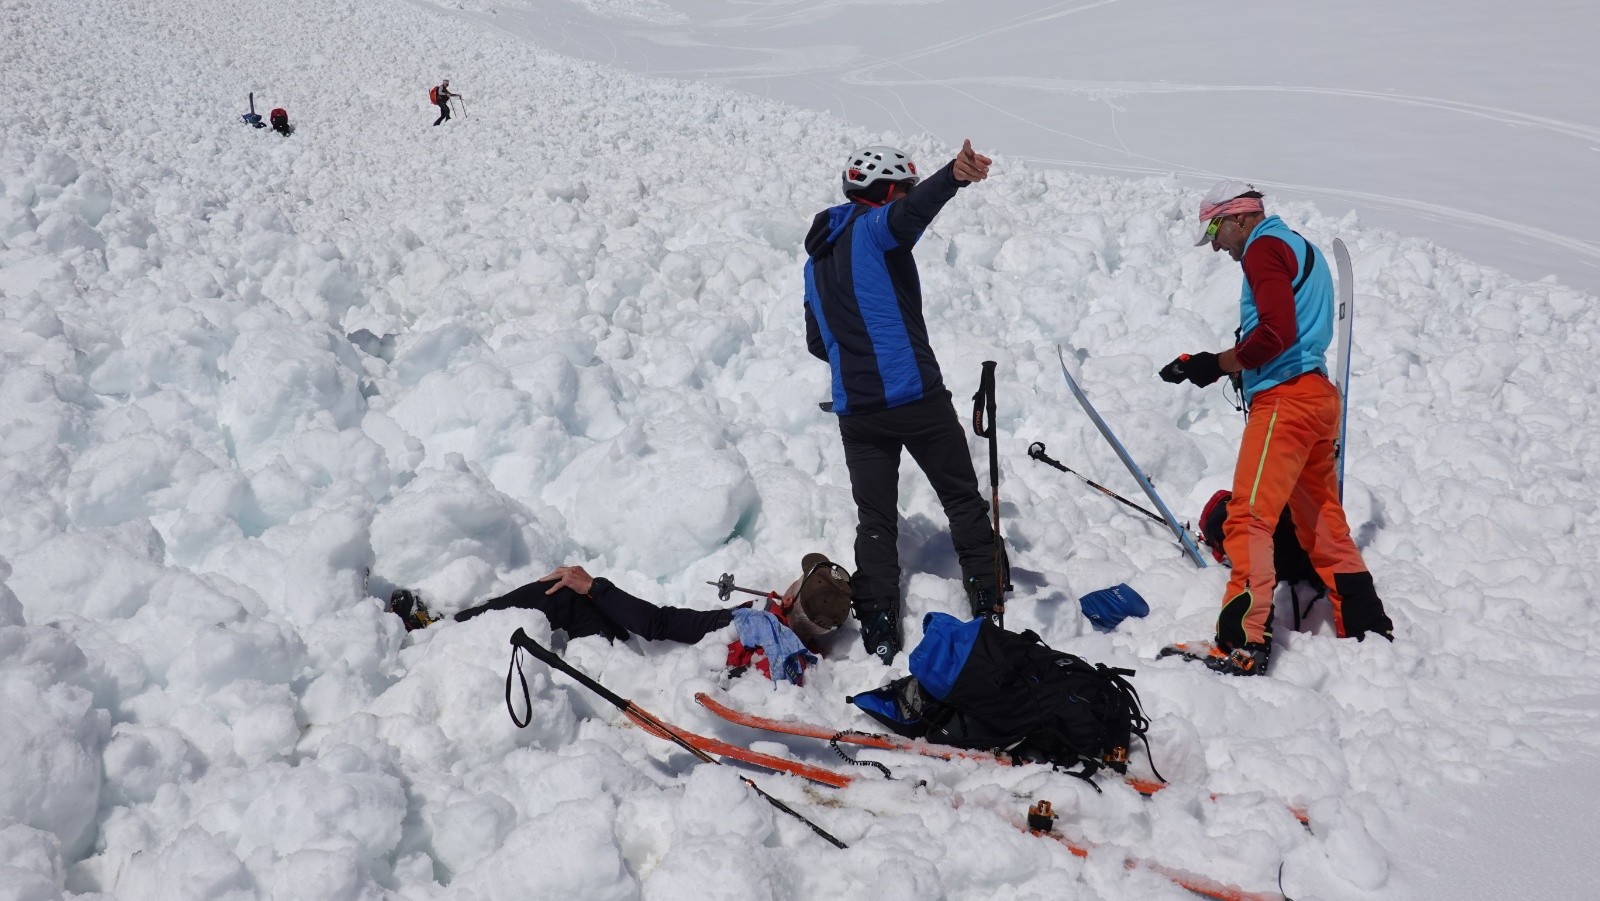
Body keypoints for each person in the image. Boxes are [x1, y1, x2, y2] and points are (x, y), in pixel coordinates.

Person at [1159, 179, 1394, 676]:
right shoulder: (1300, 248)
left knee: (1248, 518)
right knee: (1321, 522)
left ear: (1239, 217)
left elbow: (1275, 332)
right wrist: (1208, 365)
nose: (1218, 247)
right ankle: (1367, 627)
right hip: (1317, 400)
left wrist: (1218, 363)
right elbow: (1290, 332)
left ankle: (1243, 642)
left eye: (1217, 233)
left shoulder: (1263, 249)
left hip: (1285, 401)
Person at [802, 140, 1005, 664]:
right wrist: (953, 177)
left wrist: (859, 365)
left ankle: (879, 621)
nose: (907, 197)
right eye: (903, 189)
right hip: (915, 398)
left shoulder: (816, 262)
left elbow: (817, 341)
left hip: (857, 413)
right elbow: (913, 212)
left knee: (875, 519)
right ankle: (985, 594)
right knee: (960, 497)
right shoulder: (875, 229)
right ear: (888, 190)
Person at [391, 554, 854, 684]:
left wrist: (594, 586)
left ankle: (443, 631)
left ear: (792, 601)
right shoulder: (803, 648)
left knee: (552, 593)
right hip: (640, 660)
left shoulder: (749, 624)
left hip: (635, 664)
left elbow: (658, 624)